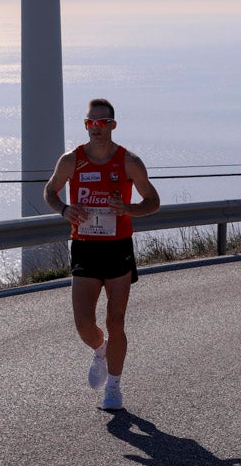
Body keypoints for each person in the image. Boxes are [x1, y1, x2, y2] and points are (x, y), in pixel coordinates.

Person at [43, 98, 160, 411]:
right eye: (90, 122)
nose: (96, 128)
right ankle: (100, 351)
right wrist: (65, 209)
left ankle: (114, 387)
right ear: (86, 125)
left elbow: (153, 201)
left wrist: (128, 209)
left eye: (102, 122)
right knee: (84, 323)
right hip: (85, 246)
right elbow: (50, 191)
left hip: (117, 247)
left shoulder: (129, 161)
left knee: (116, 320)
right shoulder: (72, 160)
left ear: (113, 125)